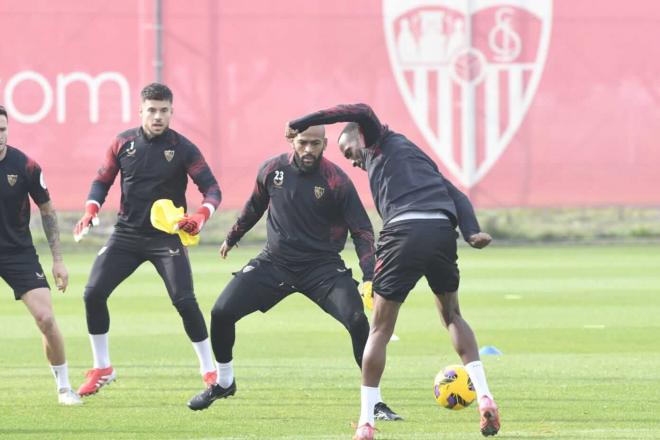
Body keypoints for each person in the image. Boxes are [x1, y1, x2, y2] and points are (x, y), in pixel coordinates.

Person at [286, 104, 500, 439]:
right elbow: (454, 192)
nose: (352, 161)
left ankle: (366, 423)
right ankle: (485, 395)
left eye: (349, 151)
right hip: (441, 231)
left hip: (403, 232)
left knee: (380, 330)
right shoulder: (417, 159)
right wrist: (471, 232)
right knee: (453, 316)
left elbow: (357, 109)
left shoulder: (378, 140)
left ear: (362, 136)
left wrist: (304, 121)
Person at [186, 125, 401, 422]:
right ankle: (224, 383)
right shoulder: (272, 170)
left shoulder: (336, 180)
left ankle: (375, 402)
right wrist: (232, 237)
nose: (309, 149)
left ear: (325, 143)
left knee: (356, 320)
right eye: (303, 143)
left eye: (316, 144)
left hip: (323, 268)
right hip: (275, 263)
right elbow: (254, 207)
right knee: (221, 311)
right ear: (291, 141)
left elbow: (362, 230)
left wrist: (369, 276)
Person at [73, 83, 222, 397]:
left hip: (166, 238)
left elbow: (212, 190)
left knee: (184, 300)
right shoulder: (122, 143)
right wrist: (90, 209)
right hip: (127, 235)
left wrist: (200, 216)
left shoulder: (183, 148)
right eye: (151, 110)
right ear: (140, 110)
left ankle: (210, 369)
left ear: (171, 112)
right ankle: (102, 368)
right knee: (92, 294)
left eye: (163, 110)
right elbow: (102, 181)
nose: (157, 116)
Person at [0, 105, 82, 405]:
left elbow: (47, 209)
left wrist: (58, 259)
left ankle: (64, 387)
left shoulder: (26, 166)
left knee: (46, 318)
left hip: (18, 253)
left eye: (2, 129)